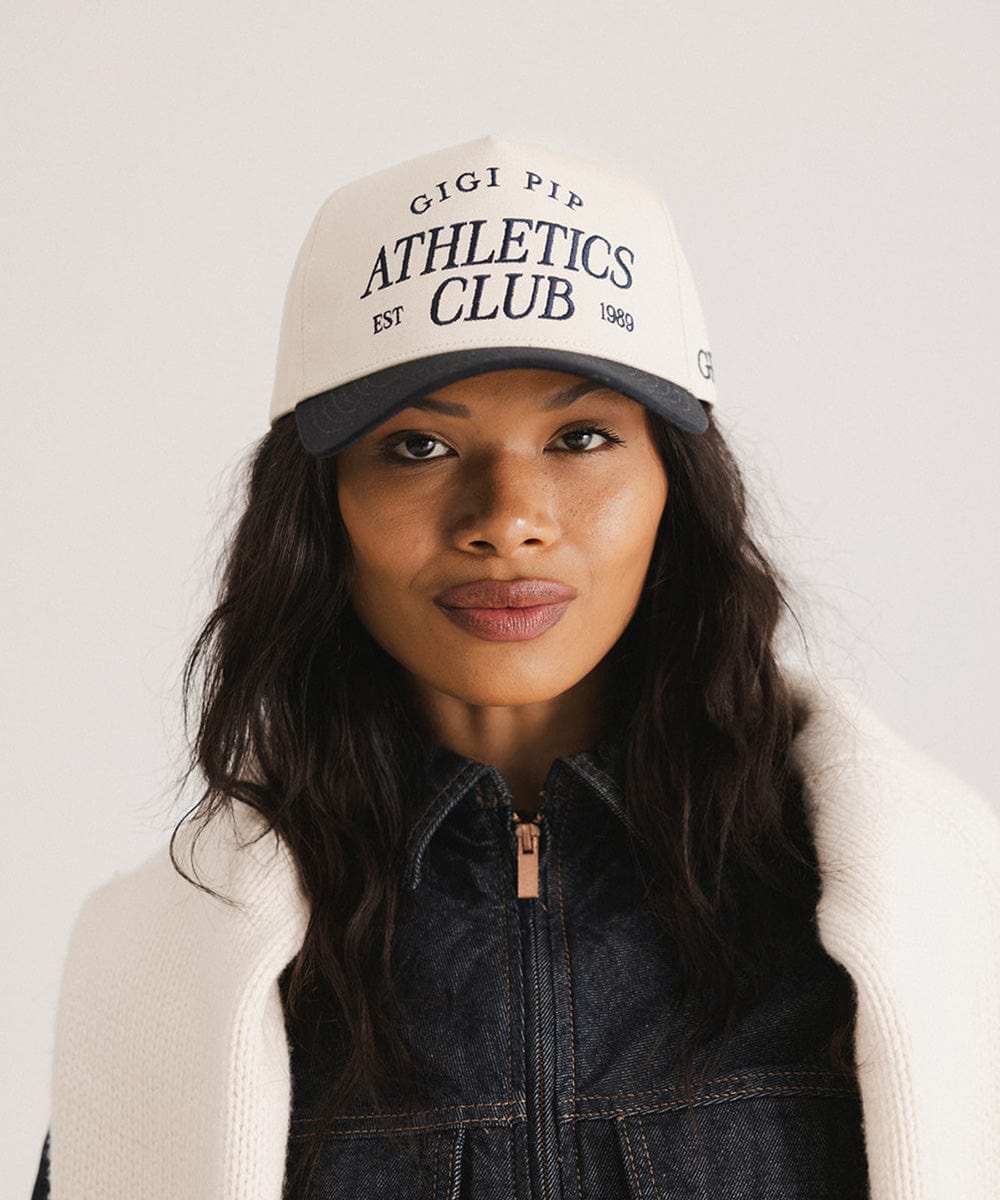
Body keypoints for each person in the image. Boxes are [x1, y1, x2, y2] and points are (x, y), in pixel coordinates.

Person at [31, 135, 1000, 1200]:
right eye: (418, 448)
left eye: (581, 438)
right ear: (319, 509)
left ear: (677, 488)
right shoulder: (170, 978)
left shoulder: (927, 923)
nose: (508, 521)